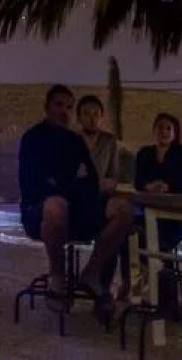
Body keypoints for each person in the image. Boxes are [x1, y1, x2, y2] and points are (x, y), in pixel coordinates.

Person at [18, 84, 135, 316]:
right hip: (39, 210)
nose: (64, 111)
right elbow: (33, 183)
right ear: (47, 107)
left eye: (69, 107)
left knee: (123, 210)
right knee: (56, 205)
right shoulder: (32, 139)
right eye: (59, 105)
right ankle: (58, 276)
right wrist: (67, 185)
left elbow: (89, 182)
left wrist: (70, 186)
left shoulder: (75, 141)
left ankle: (91, 272)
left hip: (78, 209)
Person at [134, 112, 182, 252]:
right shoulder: (144, 153)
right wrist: (149, 186)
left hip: (173, 214)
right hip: (147, 209)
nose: (164, 132)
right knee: (129, 232)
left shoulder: (180, 154)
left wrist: (166, 187)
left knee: (157, 237)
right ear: (154, 130)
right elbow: (137, 180)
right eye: (160, 127)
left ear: (175, 133)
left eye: (168, 128)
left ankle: (163, 269)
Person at [75, 95, 120, 194]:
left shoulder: (109, 141)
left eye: (96, 114)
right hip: (77, 194)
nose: (92, 119)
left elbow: (114, 175)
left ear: (102, 117)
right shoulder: (71, 140)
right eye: (86, 114)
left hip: (102, 194)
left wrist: (110, 183)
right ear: (79, 118)